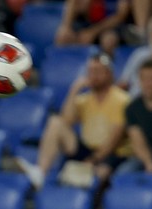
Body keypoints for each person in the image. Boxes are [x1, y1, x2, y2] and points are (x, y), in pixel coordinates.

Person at [16, 52, 131, 190]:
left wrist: (93, 160)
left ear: (109, 74)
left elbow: (115, 139)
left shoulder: (121, 99)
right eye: (91, 71)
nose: (93, 76)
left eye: (98, 71)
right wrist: (74, 89)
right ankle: (40, 172)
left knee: (102, 173)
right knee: (55, 122)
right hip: (87, 148)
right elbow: (66, 120)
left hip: (112, 153)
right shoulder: (85, 99)